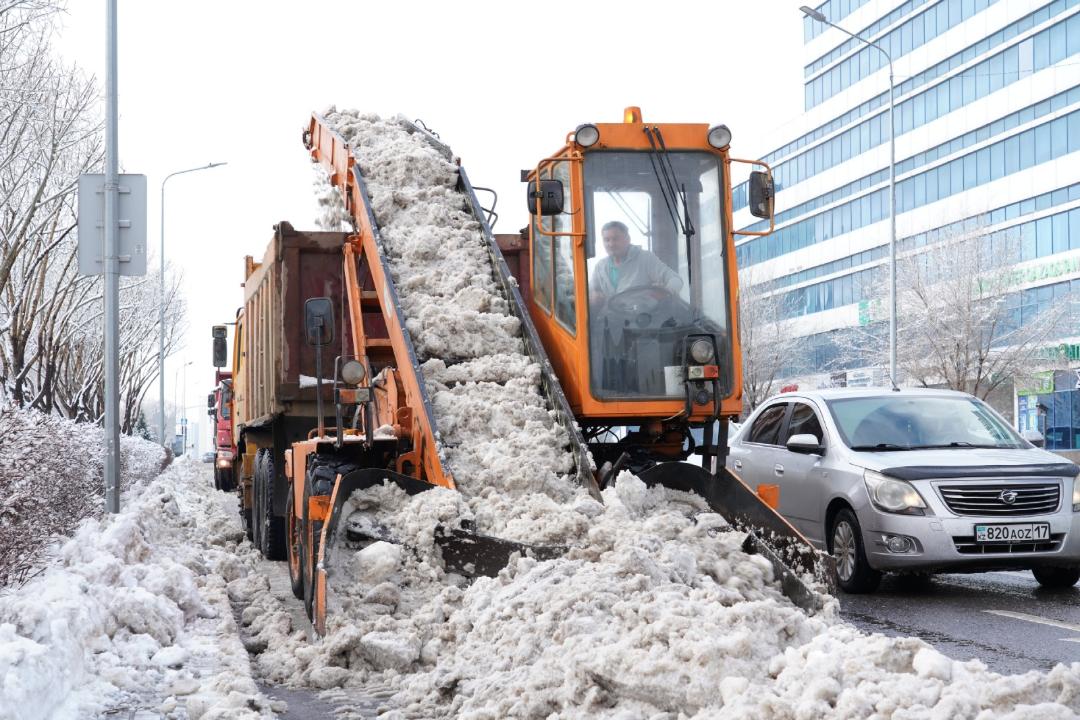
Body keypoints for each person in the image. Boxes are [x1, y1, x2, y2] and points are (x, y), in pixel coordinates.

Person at [588, 221, 683, 307]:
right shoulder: (600, 267)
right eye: (607, 240)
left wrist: (665, 292)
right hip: (609, 323)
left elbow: (676, 280)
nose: (611, 244)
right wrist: (593, 297)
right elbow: (590, 291)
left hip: (641, 322)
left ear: (627, 239)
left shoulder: (645, 259)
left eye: (615, 239)